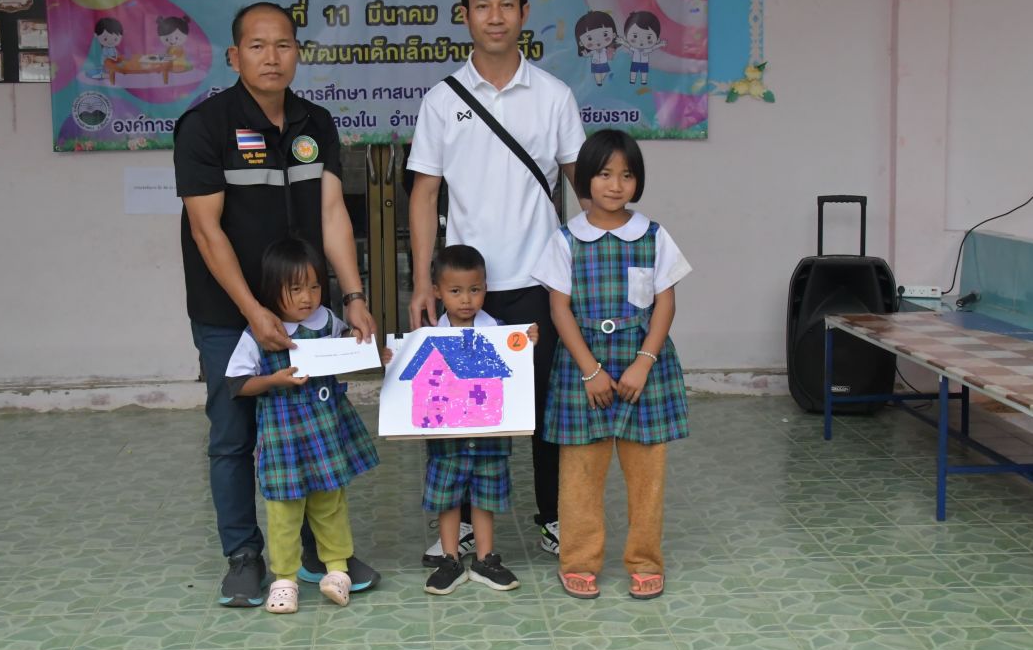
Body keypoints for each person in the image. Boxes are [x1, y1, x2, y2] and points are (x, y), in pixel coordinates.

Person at [174, 1, 378, 608]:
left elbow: (333, 213)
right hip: (227, 312)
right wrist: (252, 311)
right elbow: (206, 230)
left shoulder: (316, 122)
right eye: (257, 46)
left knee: (315, 428)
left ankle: (318, 552)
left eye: (283, 45)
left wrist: (354, 296)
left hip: (307, 315)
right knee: (233, 435)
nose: (272, 57)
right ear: (234, 56)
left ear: (297, 52)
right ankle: (244, 555)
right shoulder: (205, 126)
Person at [407, 0, 585, 562]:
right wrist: (422, 282)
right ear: (465, 16)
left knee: (547, 409)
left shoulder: (554, 96)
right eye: (482, 5)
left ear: (524, 13)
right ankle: (455, 531)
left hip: (539, 282)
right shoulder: (441, 101)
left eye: (507, 4)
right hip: (465, 291)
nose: (495, 16)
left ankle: (554, 517)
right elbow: (424, 194)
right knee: (459, 415)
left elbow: (583, 187)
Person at [530, 129, 692, 601]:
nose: (615, 185)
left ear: (637, 181)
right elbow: (559, 308)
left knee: (647, 476)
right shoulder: (566, 240)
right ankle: (579, 561)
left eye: (626, 175)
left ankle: (645, 561)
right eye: (604, 174)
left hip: (645, 371)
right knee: (580, 476)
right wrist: (590, 370)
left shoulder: (654, 236)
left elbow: (665, 303)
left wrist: (644, 362)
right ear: (585, 178)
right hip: (583, 373)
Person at [225, 237, 379, 613]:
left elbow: (345, 347)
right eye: (295, 289)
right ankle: (285, 580)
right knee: (283, 511)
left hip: (324, 435)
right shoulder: (259, 332)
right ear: (272, 289)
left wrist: (364, 345)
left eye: (314, 286)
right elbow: (237, 384)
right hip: (283, 440)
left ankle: (337, 571)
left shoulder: (326, 320)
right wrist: (274, 381)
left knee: (331, 504)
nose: (307, 297)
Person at [384, 245, 536, 594]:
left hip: (490, 435)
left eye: (474, 289)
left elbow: (516, 368)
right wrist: (392, 358)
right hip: (446, 439)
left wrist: (529, 343)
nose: (466, 299)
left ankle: (485, 560)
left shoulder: (500, 331)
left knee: (485, 499)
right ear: (437, 292)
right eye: (455, 291)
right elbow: (407, 374)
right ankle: (450, 560)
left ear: (485, 288)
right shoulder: (426, 337)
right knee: (447, 500)